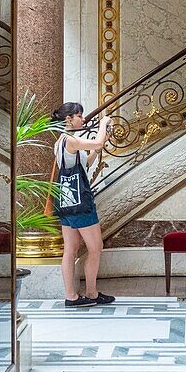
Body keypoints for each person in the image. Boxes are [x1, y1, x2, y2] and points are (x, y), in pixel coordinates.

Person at [53, 101, 115, 309]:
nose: (83, 119)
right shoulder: (71, 139)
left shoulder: (61, 142)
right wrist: (104, 123)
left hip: (66, 200)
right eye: (79, 115)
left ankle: (71, 296)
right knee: (96, 247)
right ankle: (91, 291)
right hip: (81, 203)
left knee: (70, 249)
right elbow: (96, 144)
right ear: (68, 119)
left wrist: (100, 144)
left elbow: (83, 164)